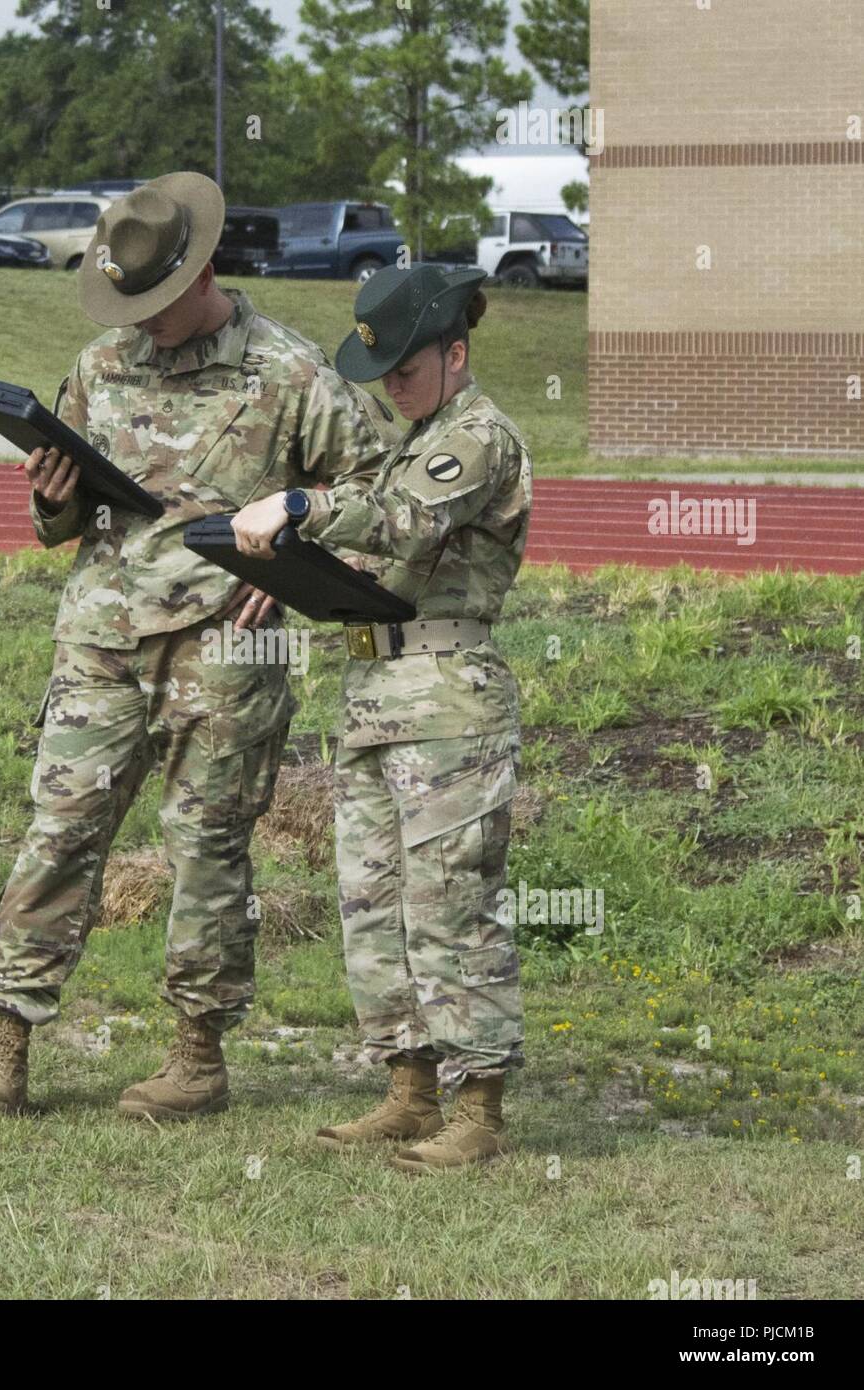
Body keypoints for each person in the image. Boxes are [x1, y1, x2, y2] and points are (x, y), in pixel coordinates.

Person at [0, 172, 397, 1122]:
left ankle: (196, 1058)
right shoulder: (102, 364)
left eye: (154, 305)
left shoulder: (289, 374)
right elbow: (66, 523)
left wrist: (284, 558)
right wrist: (51, 490)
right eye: (127, 305)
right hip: (101, 636)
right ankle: (6, 1042)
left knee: (207, 852)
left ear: (200, 274)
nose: (140, 324)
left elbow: (375, 495)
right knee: (59, 834)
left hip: (223, 652)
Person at [229, 264, 532, 1170]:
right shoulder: (420, 435)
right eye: (383, 373)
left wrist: (298, 503)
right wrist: (293, 576)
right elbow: (382, 568)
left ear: (456, 353)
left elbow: (397, 521)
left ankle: (475, 1110)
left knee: (449, 907)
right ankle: (408, 1088)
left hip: (446, 702)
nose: (392, 387)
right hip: (376, 698)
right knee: (375, 907)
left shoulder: (475, 438)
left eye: (405, 369)